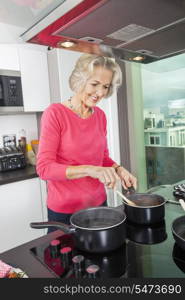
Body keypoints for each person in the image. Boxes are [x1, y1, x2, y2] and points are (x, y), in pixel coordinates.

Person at [36, 54, 137, 231]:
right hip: (65, 213)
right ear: (80, 80)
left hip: (98, 205)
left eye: (105, 87)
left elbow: (102, 158)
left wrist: (119, 170)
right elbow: (44, 169)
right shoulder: (55, 113)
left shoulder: (100, 116)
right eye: (94, 84)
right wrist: (90, 169)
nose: (100, 93)